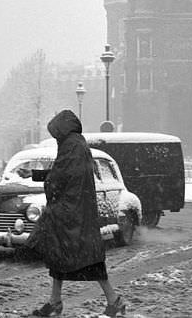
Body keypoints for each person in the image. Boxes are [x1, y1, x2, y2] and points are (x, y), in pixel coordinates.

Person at [26, 109, 125, 317]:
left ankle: (113, 301)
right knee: (63, 256)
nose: (56, 139)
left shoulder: (70, 146)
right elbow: (66, 172)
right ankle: (56, 301)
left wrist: (48, 181)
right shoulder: (77, 144)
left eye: (56, 135)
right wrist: (41, 175)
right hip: (77, 211)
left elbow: (60, 177)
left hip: (71, 212)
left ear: (61, 130)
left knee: (82, 258)